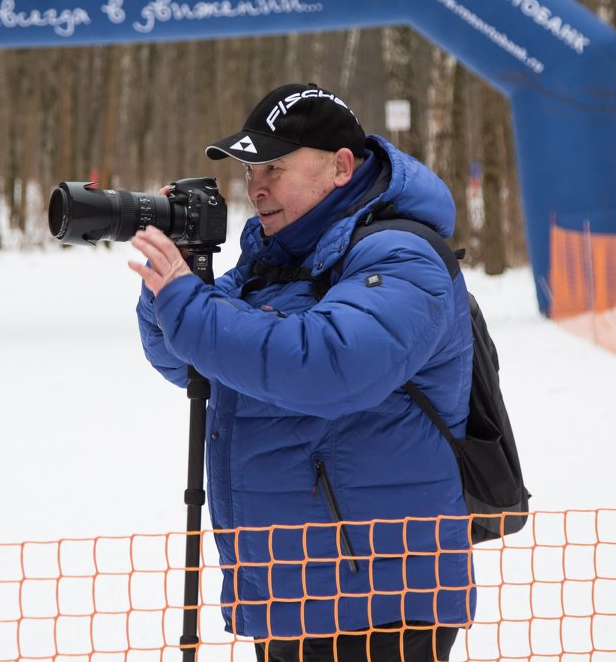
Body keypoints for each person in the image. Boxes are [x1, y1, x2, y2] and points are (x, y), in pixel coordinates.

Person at [130, 83, 475, 661]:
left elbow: (329, 366)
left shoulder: (401, 256)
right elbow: (190, 365)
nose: (256, 186)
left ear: (341, 167)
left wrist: (190, 304)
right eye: (249, 169)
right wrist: (175, 281)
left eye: (274, 166)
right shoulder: (274, 259)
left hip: (378, 601)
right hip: (291, 590)